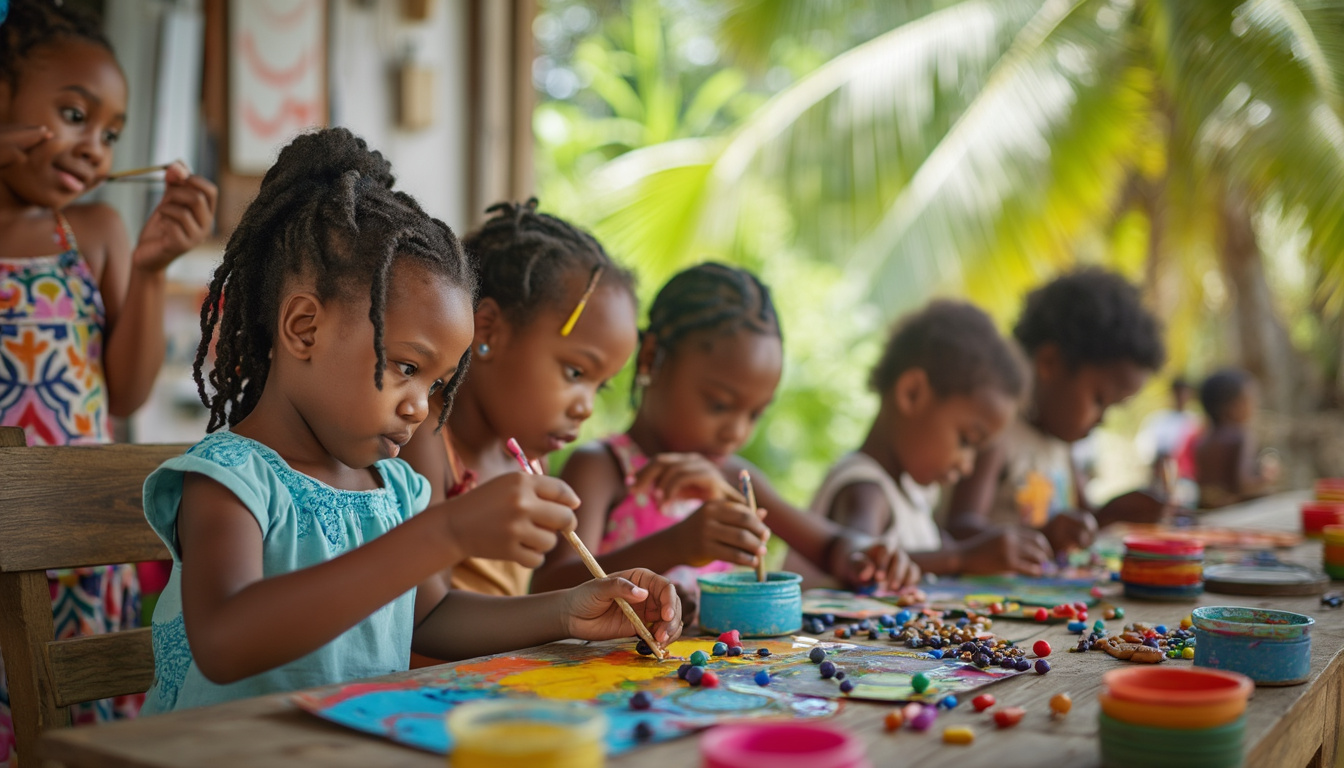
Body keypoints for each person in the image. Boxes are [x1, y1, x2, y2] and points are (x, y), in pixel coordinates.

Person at [140, 128, 680, 715]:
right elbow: (225, 642)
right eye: (406, 367)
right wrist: (443, 534)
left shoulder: (393, 488)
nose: (420, 407)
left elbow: (431, 618)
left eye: (437, 384)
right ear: (304, 329)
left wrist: (568, 610)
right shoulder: (230, 478)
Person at [0, 0, 217, 754]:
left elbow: (125, 393)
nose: (94, 147)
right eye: (73, 115)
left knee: (82, 740)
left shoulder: (95, 232)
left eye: (111, 133)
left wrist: (151, 269)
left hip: (77, 543)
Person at [531, 263, 919, 615]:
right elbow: (549, 590)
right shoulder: (602, 468)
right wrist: (675, 546)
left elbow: (829, 546)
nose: (737, 432)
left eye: (755, 414)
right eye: (719, 405)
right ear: (650, 358)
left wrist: (866, 553)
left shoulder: (734, 480)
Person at [399, 199, 639, 598]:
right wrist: (567, 614)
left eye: (600, 387)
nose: (586, 407)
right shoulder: (424, 436)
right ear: (488, 331)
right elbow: (427, 615)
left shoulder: (529, 460)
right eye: (575, 373)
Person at [811, 300, 1052, 575]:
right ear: (912, 394)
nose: (967, 466)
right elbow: (862, 562)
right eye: (966, 441)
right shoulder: (865, 490)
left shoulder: (913, 494)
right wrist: (961, 558)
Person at [943, 268, 1169, 554]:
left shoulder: (1061, 444)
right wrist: (1042, 536)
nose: (1101, 419)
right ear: (1049, 363)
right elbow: (959, 528)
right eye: (1099, 400)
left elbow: (1081, 518)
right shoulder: (999, 434)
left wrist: (1113, 513)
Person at [1194, 367, 1279, 508]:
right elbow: (1243, 486)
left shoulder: (1203, 441)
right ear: (1231, 406)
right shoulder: (1241, 436)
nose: (1255, 405)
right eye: (1250, 399)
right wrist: (1266, 479)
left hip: (1207, 512)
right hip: (1233, 514)